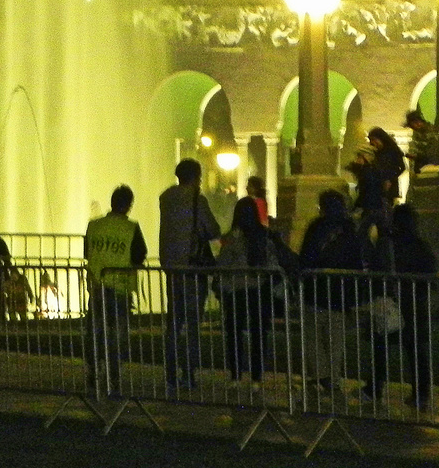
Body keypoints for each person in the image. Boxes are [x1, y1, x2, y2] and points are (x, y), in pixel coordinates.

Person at [299, 189, 373, 396]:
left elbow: (306, 256)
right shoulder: (350, 230)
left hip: (317, 291)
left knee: (315, 339)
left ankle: (324, 377)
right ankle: (332, 379)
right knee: (334, 342)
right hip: (338, 293)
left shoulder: (317, 228)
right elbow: (357, 261)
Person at [158, 158, 221, 392]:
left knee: (174, 322)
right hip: (193, 268)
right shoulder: (197, 199)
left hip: (172, 267)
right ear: (195, 177)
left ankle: (171, 372)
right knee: (193, 323)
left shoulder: (165, 198)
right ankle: (190, 372)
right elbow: (212, 229)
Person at [367, 205, 436, 408]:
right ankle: (420, 393)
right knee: (416, 350)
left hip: (394, 302)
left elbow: (376, 265)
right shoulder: (419, 245)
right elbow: (430, 270)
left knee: (382, 346)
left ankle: (375, 387)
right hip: (414, 302)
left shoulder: (389, 244)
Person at [84, 185, 148, 397]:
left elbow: (87, 252)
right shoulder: (131, 228)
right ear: (129, 205)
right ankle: (113, 376)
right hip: (120, 288)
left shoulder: (94, 226)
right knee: (117, 335)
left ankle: (93, 371)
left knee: (95, 332)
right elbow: (140, 255)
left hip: (96, 287)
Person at [215, 197, 284, 393]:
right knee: (258, 335)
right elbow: (272, 263)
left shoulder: (231, 238)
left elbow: (222, 264)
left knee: (234, 335)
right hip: (259, 290)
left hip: (235, 291)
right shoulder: (264, 236)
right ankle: (256, 378)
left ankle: (236, 376)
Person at [357, 127, 404, 268]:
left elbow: (401, 167)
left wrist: (389, 178)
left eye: (374, 140)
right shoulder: (379, 154)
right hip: (378, 193)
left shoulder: (392, 152)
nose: (373, 143)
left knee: (379, 227)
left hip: (385, 193)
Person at [406, 108, 438, 175]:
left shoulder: (432, 132)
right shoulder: (417, 134)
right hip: (423, 169)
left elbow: (431, 153)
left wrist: (417, 156)